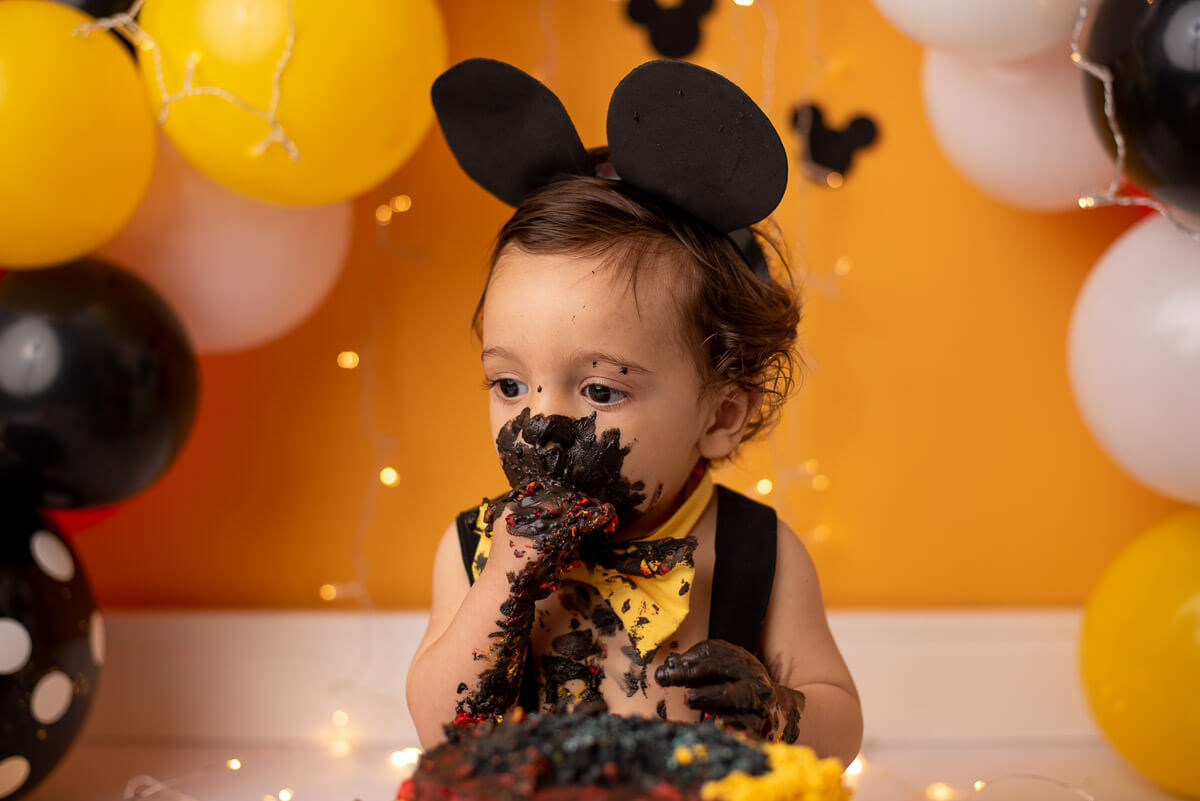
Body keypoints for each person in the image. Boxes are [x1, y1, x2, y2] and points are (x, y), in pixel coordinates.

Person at [405, 58, 862, 766]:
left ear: (720, 415)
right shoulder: (474, 549)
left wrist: (779, 708)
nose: (541, 423)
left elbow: (839, 715)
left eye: (599, 390)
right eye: (509, 384)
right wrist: (506, 578)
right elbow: (440, 728)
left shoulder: (755, 552)